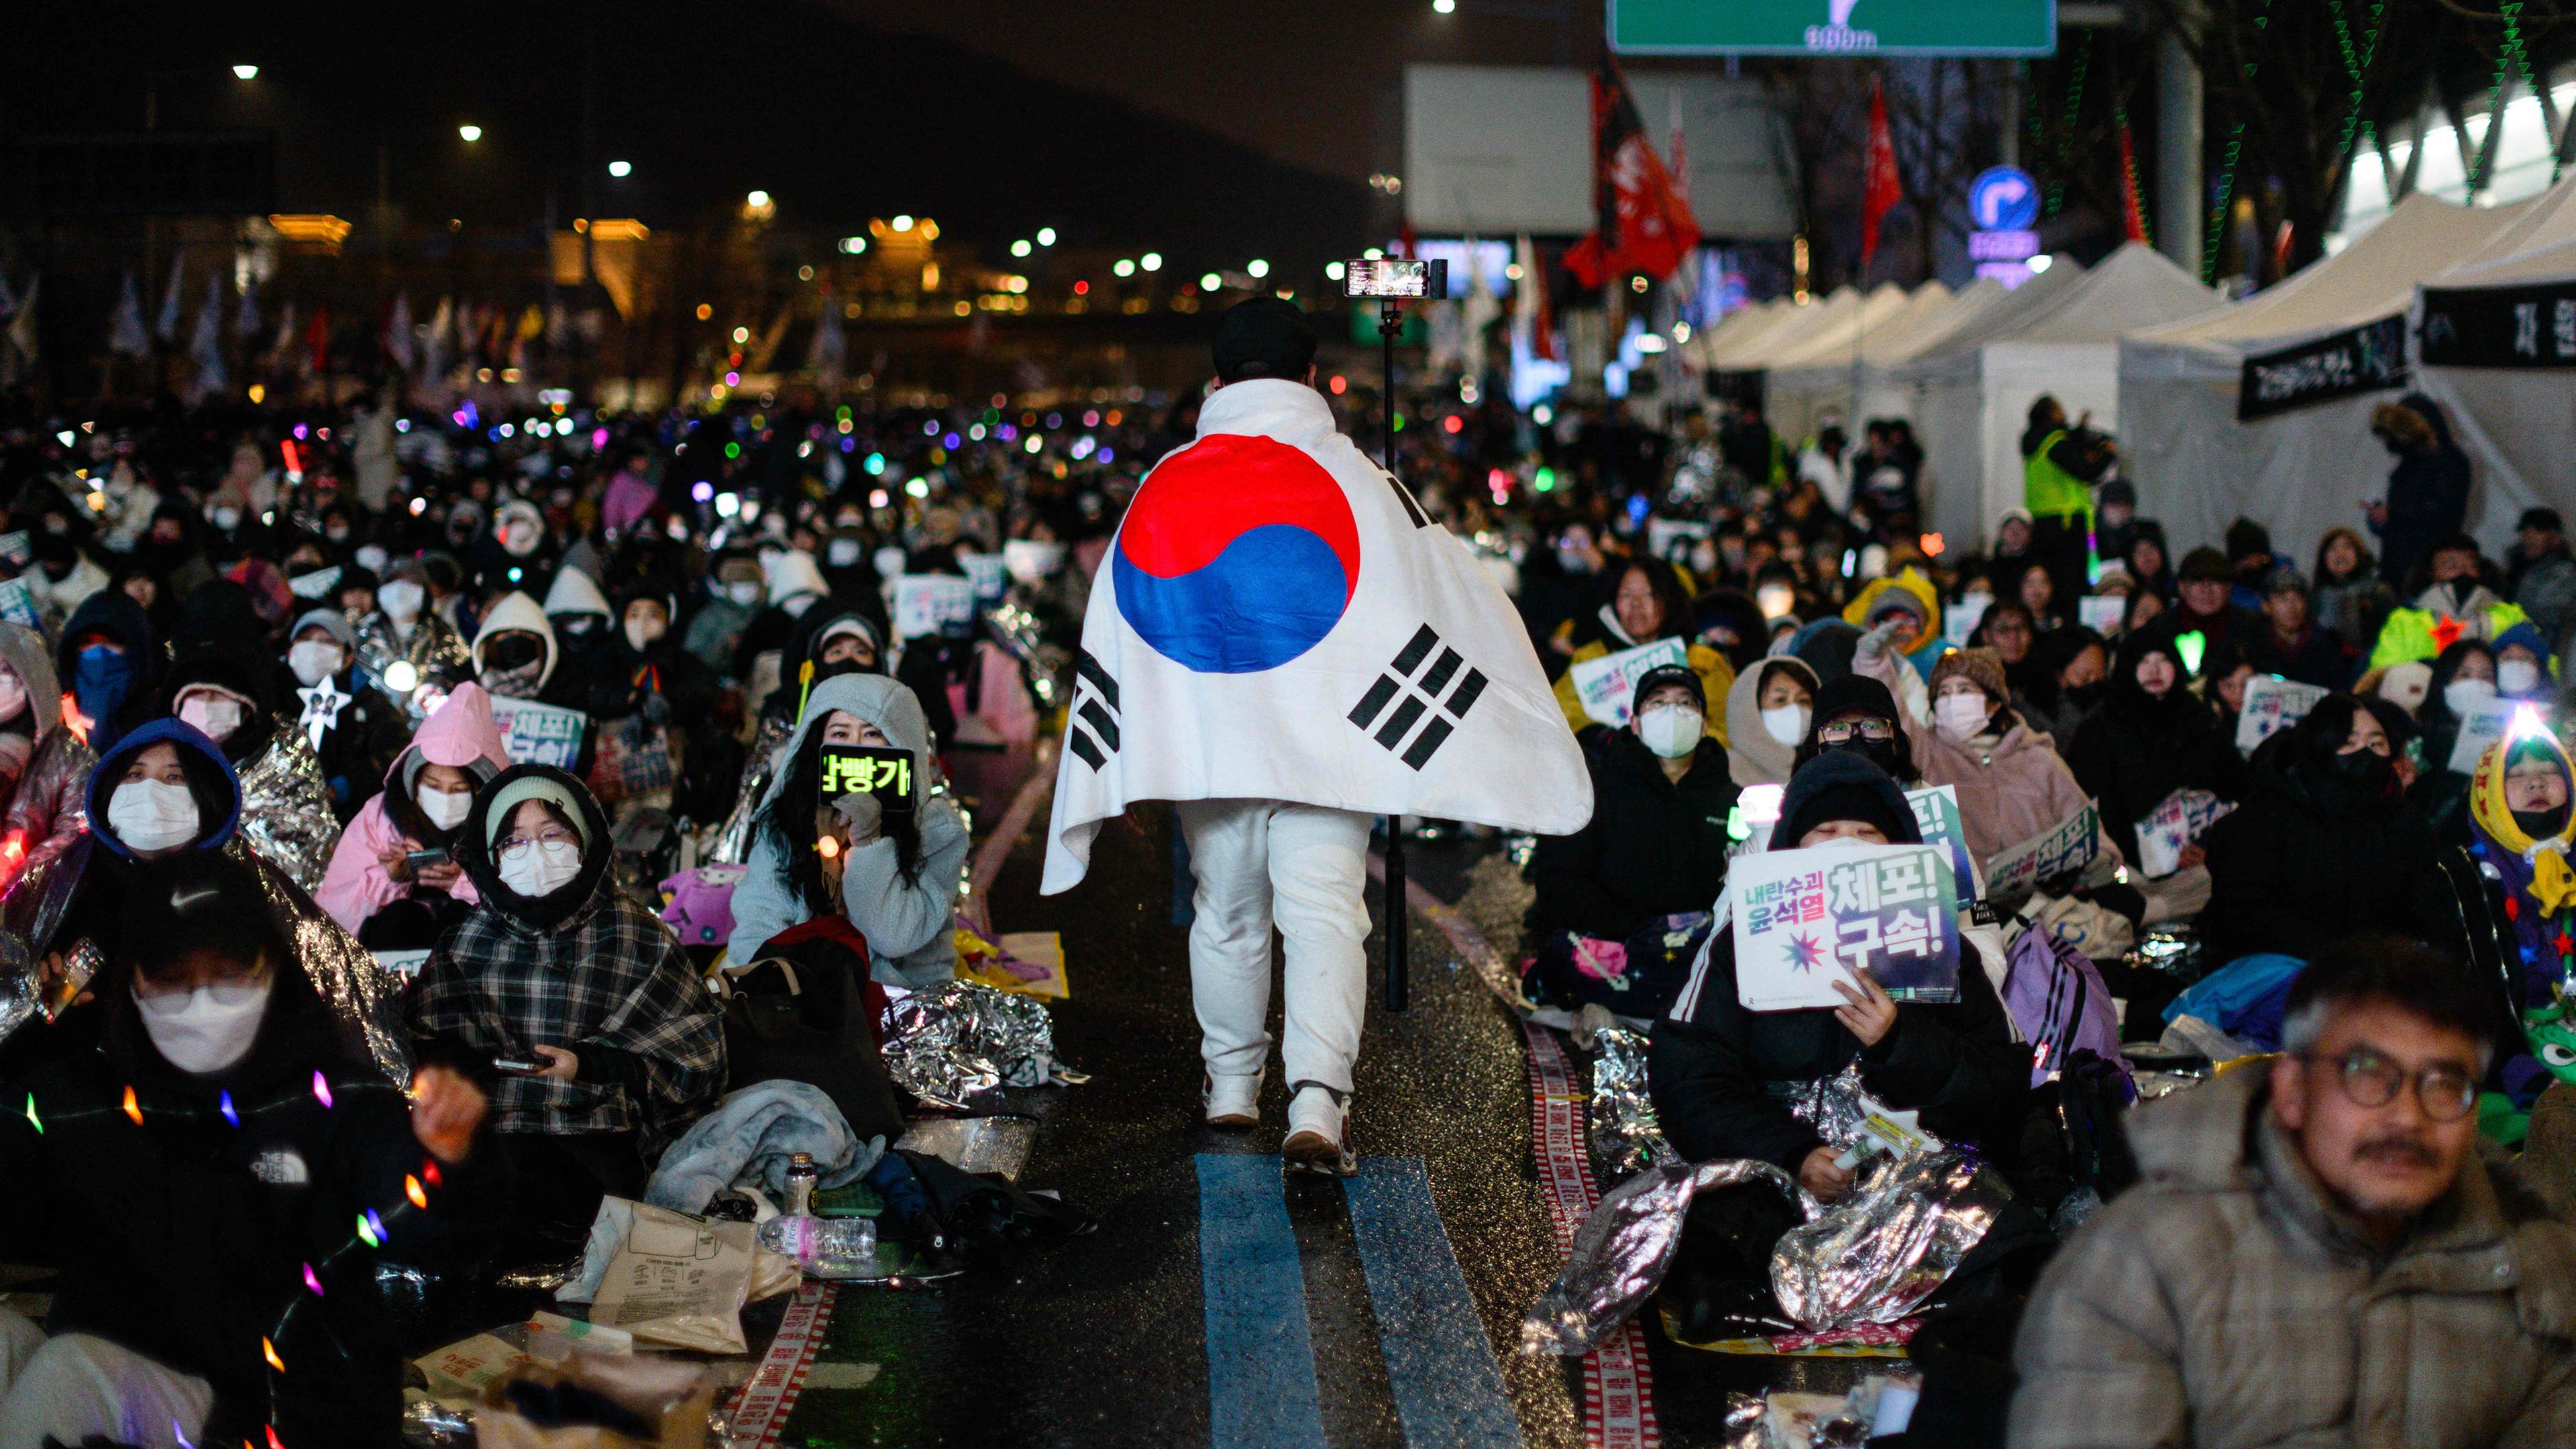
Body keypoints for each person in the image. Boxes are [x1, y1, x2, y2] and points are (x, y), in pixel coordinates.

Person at [0, 850, 490, 1449]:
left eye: (227, 973)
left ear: (271, 968)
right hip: (129, 1380)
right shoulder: (82, 1101)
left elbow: (422, 1220)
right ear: (132, 981)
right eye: (173, 978)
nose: (201, 999)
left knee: (67, 1374)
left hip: (285, 1408)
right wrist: (35, 1024)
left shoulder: (333, 1102)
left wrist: (445, 1159)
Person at [2010, 935, 2576, 1447]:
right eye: (2369, 1076)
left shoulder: (2533, 1275)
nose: (2407, 1119)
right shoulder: (2144, 1273)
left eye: (2445, 1085)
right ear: (2293, 1093)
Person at [1648, 751, 2031, 1340]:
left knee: (1997, 1222)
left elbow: (2001, 1082)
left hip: (1903, 1177)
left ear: (1898, 852)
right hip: (1775, 1174)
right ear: (1792, 849)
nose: (1844, 846)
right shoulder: (1738, 944)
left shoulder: (1942, 947)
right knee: (1697, 1214)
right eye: (1824, 832)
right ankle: (1872, 1296)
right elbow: (1687, 1074)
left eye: (1865, 834)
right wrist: (1794, 1153)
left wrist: (1902, 1042)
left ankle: (1777, 1301)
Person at [405, 763, 726, 1249]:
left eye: (552, 834)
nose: (535, 852)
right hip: (491, 1140)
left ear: (585, 839)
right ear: (490, 858)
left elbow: (697, 1061)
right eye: (513, 841)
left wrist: (587, 1065)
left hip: (597, 1142)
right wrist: (474, 1077)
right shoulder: (466, 945)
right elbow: (430, 1050)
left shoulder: (636, 936)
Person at [727, 673, 971, 991]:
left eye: (872, 735)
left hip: (900, 996)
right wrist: (765, 987)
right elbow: (760, 916)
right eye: (840, 733)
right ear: (816, 743)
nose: (855, 748)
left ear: (902, 743)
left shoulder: (936, 827)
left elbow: (893, 937)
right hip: (806, 989)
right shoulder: (788, 815)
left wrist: (869, 842)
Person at [1527, 665, 1739, 1017]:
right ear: (1636, 722)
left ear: (1703, 724)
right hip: (1615, 947)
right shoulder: (1595, 790)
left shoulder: (1734, 801)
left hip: (1698, 957)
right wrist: (1637, 930)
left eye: (1686, 703)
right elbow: (1557, 881)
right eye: (1658, 703)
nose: (1673, 712)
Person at [2199, 695, 2436, 971]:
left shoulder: (2403, 821)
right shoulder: (2264, 820)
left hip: (2378, 979)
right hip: (2279, 979)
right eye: (2349, 742)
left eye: (2376, 744)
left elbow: (2421, 908)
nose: (2365, 754)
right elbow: (2247, 916)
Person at [317, 684, 513, 948]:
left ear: (481, 790)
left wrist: (463, 884)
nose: (444, 797)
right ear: (413, 783)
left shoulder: (509, 827)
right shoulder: (380, 820)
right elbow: (333, 918)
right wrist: (391, 880)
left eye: (458, 789)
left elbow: (522, 912)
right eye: (432, 786)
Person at [1907, 647, 2125, 875]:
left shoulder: (2037, 756)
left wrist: (2099, 853)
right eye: (1943, 693)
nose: (1953, 701)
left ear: (1993, 703)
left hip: (2040, 896)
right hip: (1962, 897)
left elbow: (2079, 817)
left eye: (1964, 690)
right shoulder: (1927, 755)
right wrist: (1875, 662)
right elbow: (1897, 710)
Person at [2066, 631, 2243, 867]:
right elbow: (2093, 806)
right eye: (2143, 661)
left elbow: (2231, 786)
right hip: (2128, 865)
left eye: (2163, 660)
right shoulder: (2101, 727)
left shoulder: (2198, 718)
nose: (2154, 670)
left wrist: (2211, 846)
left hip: (2203, 857)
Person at [1550, 557, 1735, 740]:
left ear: (1670, 601)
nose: (1636, 603)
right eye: (1626, 595)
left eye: (1649, 594)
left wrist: (1685, 738)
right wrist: (1600, 734)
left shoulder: (1704, 662)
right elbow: (1559, 713)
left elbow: (1728, 729)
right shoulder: (1591, 658)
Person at [282, 606, 409, 821]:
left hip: (352, 818)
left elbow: (394, 753)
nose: (314, 648)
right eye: (305, 638)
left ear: (348, 656)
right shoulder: (276, 695)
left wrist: (345, 786)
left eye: (327, 641)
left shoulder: (368, 702)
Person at [2366, 392, 2472, 590]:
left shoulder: (2450, 461)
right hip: (2402, 566)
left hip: (2428, 567)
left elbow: (2446, 511)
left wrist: (2393, 513)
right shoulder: (2409, 465)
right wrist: (2384, 517)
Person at [2019, 396, 2116, 606]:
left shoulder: (2035, 443)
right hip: (2066, 525)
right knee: (2072, 587)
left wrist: (2079, 433)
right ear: (2053, 414)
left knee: (2055, 584)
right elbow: (2085, 471)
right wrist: (2108, 454)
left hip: (2044, 523)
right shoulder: (2054, 442)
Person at [354, 555, 472, 723]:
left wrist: (434, 689)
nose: (400, 589)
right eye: (392, 581)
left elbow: (459, 679)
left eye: (410, 582)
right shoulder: (362, 636)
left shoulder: (445, 636)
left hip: (429, 729)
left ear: (424, 589)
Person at [2243, 568, 2352, 690]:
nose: (2292, 607)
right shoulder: (2252, 643)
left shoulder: (2326, 642)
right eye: (2283, 600)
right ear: (2266, 607)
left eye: (2297, 599)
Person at [1723, 654, 1819, 788]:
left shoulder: (1826, 769)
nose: (1795, 709)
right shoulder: (1724, 773)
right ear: (1748, 709)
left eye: (1804, 701)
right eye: (1780, 700)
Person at [2166, 546, 2261, 655]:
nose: (2207, 589)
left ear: (2229, 587)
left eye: (2216, 580)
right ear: (2181, 587)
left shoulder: (2252, 627)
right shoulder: (2160, 631)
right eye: (2198, 580)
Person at [2311, 525, 2394, 649]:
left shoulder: (2378, 592)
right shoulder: (2314, 597)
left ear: (2359, 554)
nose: (2340, 554)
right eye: (2333, 549)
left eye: (2347, 547)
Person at [2510, 506, 2576, 646]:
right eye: (2525, 531)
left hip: (2539, 647)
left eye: (2538, 531)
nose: (2529, 537)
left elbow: (2549, 613)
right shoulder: (2516, 565)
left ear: (2555, 538)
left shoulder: (2565, 572)